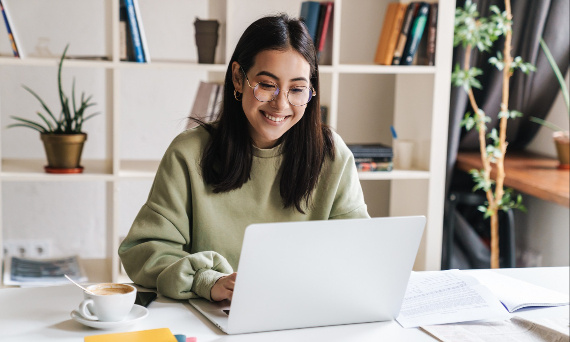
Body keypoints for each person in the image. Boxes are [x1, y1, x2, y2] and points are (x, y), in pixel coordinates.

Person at [119, 14, 369, 303]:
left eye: (297, 89)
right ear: (238, 78)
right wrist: (205, 280)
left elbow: (358, 251)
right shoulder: (189, 153)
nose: (281, 104)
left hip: (304, 312)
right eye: (266, 84)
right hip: (213, 315)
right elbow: (144, 250)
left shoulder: (332, 156)